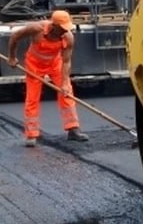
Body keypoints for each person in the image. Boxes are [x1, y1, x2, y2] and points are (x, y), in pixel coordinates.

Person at [7, 10, 89, 146]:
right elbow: (15, 36)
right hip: (34, 65)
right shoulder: (37, 29)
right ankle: (31, 134)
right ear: (54, 25)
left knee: (67, 93)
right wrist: (11, 57)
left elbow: (67, 61)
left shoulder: (68, 37)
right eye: (62, 28)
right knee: (32, 98)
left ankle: (73, 129)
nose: (65, 31)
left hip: (55, 64)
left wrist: (64, 83)